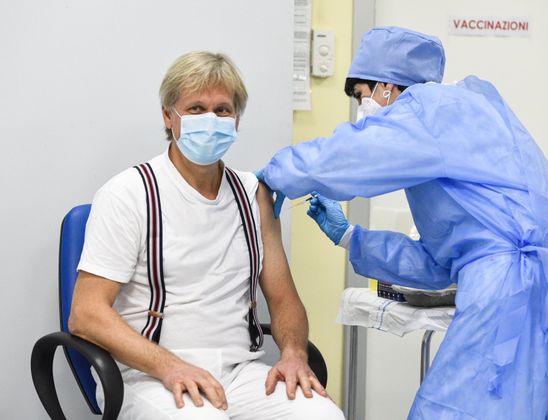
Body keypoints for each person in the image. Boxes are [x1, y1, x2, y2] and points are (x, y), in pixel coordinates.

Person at [256, 27, 548, 419]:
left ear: (386, 87)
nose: (363, 111)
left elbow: (350, 156)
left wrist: (275, 172)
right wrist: (349, 237)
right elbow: (439, 263)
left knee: (457, 409)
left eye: (362, 96)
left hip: (520, 275)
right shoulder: (457, 122)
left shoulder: (429, 109)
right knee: (520, 403)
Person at [69, 51, 345, 420]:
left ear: (237, 121)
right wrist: (170, 366)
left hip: (238, 372)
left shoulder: (254, 194)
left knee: (322, 415)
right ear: (169, 116)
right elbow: (85, 315)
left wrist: (294, 354)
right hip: (146, 376)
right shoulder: (129, 194)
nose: (210, 120)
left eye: (222, 110)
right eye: (196, 109)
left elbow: (283, 298)